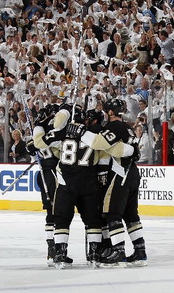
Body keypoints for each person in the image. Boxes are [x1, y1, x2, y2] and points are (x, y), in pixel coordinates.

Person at [79, 98, 145, 267]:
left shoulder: (115, 126)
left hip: (120, 172)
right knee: (131, 215)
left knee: (112, 212)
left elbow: (97, 143)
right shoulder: (128, 127)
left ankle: (118, 251)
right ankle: (140, 251)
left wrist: (80, 133)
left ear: (110, 112)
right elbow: (130, 150)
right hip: (132, 172)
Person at [40, 103, 103, 269]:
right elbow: (103, 147)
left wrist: (39, 126)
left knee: (62, 220)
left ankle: (60, 253)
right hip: (89, 182)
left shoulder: (61, 132)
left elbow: (38, 144)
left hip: (66, 183)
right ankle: (95, 254)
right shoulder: (94, 132)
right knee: (92, 220)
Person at [26, 103, 61, 267]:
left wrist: (33, 145)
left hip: (52, 173)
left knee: (53, 211)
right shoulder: (46, 131)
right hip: (50, 174)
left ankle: (54, 246)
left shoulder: (43, 133)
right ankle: (54, 246)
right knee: (53, 211)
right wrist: (32, 148)